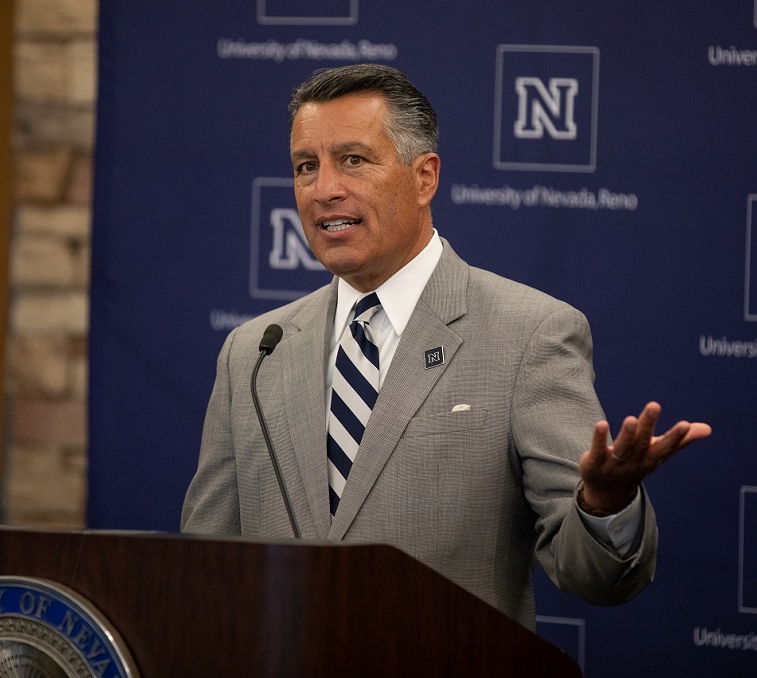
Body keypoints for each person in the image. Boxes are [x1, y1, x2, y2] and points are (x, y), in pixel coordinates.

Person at [181, 63, 711, 629]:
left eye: (353, 160)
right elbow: (203, 569)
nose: (324, 189)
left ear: (424, 177)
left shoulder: (529, 334)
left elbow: (598, 578)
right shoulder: (254, 352)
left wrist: (604, 503)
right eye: (305, 166)